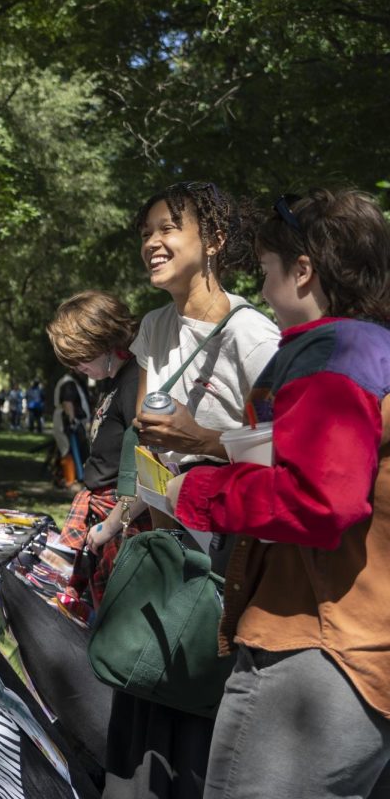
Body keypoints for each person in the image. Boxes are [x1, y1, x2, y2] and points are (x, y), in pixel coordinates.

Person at [164, 189, 390, 798]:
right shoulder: (368, 348)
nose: (262, 289)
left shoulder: (335, 356)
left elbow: (322, 500)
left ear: (304, 269)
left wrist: (198, 491)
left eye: (266, 270)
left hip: (319, 651)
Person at [99, 181, 280, 798]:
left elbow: (285, 449)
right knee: (145, 687)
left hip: (227, 558)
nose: (152, 242)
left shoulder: (253, 336)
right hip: (166, 545)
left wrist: (202, 439)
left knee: (198, 698)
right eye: (146, 232)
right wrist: (133, 509)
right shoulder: (154, 325)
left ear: (215, 241)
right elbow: (148, 435)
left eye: (168, 228)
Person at [45, 291, 148, 605]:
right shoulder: (115, 380)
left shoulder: (134, 384)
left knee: (112, 617)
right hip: (105, 516)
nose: (77, 367)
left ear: (103, 341)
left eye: (80, 356)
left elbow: (148, 468)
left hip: (120, 521)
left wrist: (109, 526)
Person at [51, 371, 90, 489]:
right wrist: (72, 420)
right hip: (66, 420)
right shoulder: (68, 383)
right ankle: (71, 480)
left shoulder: (68, 381)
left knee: (69, 450)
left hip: (66, 419)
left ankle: (71, 478)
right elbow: (68, 402)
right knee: (68, 449)